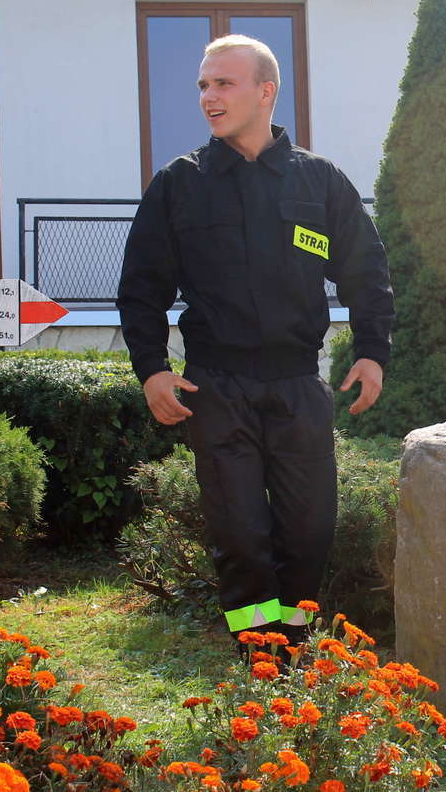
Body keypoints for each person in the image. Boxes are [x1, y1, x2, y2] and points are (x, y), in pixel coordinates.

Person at [117, 34, 394, 653]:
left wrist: (373, 351)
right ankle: (258, 651)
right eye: (203, 85)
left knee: (309, 529)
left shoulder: (318, 183)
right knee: (240, 535)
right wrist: (152, 370)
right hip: (216, 386)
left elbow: (366, 273)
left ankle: (290, 642)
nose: (209, 97)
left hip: (297, 383)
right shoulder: (179, 185)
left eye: (224, 83)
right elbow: (141, 288)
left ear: (265, 91)